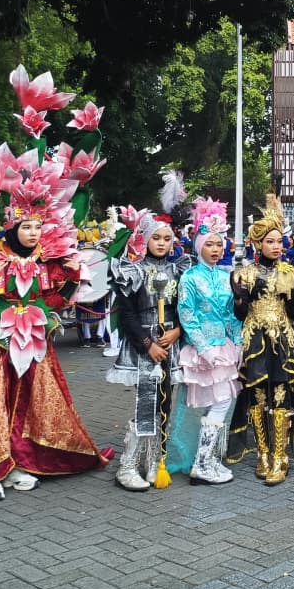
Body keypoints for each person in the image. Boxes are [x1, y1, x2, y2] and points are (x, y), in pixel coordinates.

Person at [0, 200, 112, 502]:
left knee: (28, 403)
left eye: (38, 227)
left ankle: (19, 460)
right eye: (26, 227)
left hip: (33, 340)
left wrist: (73, 279)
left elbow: (53, 302)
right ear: (11, 228)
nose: (34, 233)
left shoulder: (48, 261)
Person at [227, 195, 294, 486]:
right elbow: (240, 315)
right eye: (270, 241)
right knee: (257, 397)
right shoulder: (245, 273)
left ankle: (281, 456)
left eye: (279, 241)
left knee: (280, 395)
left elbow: (293, 313)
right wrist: (242, 299)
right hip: (254, 340)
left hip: (283, 340)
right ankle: (263, 454)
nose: (276, 246)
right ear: (258, 244)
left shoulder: (289, 272)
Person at [107, 206, 190, 491]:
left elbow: (184, 308)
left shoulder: (180, 269)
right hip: (145, 347)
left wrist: (178, 330)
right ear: (145, 240)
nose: (162, 243)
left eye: (167, 238)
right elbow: (127, 315)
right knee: (146, 405)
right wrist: (148, 344)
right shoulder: (134, 271)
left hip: (171, 347)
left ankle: (154, 461)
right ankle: (127, 466)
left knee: (164, 405)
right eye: (157, 238)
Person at [173, 198, 241, 486]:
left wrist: (237, 343)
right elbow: (187, 315)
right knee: (220, 403)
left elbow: (230, 315)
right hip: (203, 351)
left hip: (224, 348)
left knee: (221, 402)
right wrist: (203, 348)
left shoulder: (226, 277)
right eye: (210, 244)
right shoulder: (189, 277)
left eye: (219, 244)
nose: (216, 249)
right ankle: (202, 462)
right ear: (199, 245)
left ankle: (208, 458)